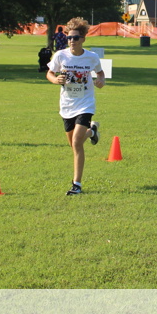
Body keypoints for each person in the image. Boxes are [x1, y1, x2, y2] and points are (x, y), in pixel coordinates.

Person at [45, 18, 104, 196]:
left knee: (77, 143)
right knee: (73, 144)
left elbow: (100, 72)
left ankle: (76, 184)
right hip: (67, 104)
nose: (72, 41)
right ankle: (92, 131)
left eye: (75, 38)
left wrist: (100, 80)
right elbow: (50, 73)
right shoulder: (60, 55)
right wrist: (55, 79)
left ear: (83, 39)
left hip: (85, 104)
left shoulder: (91, 57)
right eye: (69, 38)